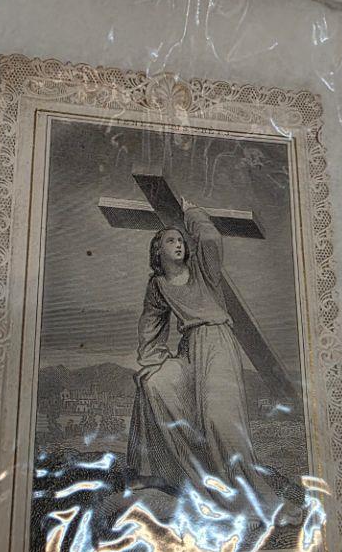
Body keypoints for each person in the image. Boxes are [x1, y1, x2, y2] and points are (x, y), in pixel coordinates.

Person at [125, 200, 302, 528]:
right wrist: (151, 360)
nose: (179, 245)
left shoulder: (203, 271)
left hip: (218, 343)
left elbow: (209, 238)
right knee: (155, 382)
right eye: (171, 241)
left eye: (181, 240)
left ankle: (249, 497)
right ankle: (169, 472)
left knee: (219, 421)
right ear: (157, 250)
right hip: (190, 347)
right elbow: (150, 324)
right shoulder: (158, 285)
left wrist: (193, 213)